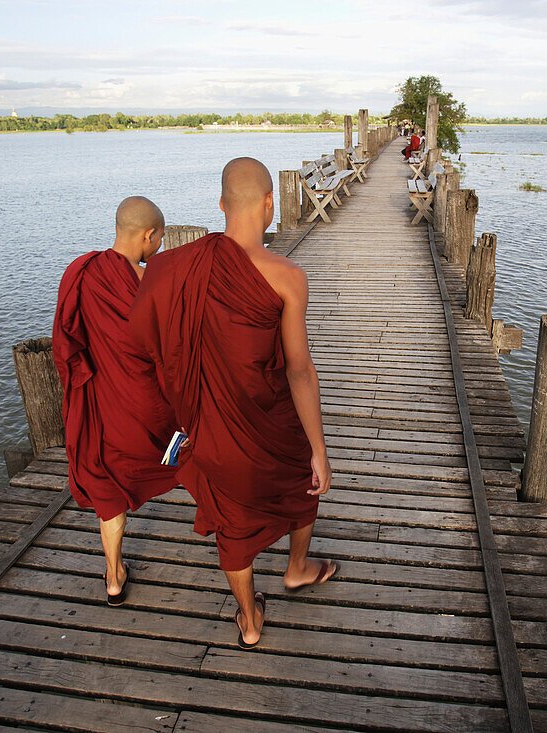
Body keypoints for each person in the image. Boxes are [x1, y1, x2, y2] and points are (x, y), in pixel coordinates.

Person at [129, 157, 336, 650]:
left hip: (212, 424)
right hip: (272, 417)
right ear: (270, 204)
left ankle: (247, 621)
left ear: (221, 205)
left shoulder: (176, 267)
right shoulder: (287, 276)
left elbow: (145, 341)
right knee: (303, 484)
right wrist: (320, 449)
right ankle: (297, 568)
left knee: (233, 524)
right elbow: (299, 370)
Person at [52, 195, 178, 607]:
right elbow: (165, 346)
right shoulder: (149, 281)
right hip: (143, 401)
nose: (158, 246)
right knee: (186, 457)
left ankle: (113, 574)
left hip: (99, 401)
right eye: (158, 238)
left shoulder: (81, 272)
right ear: (149, 234)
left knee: (107, 485)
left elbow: (68, 340)